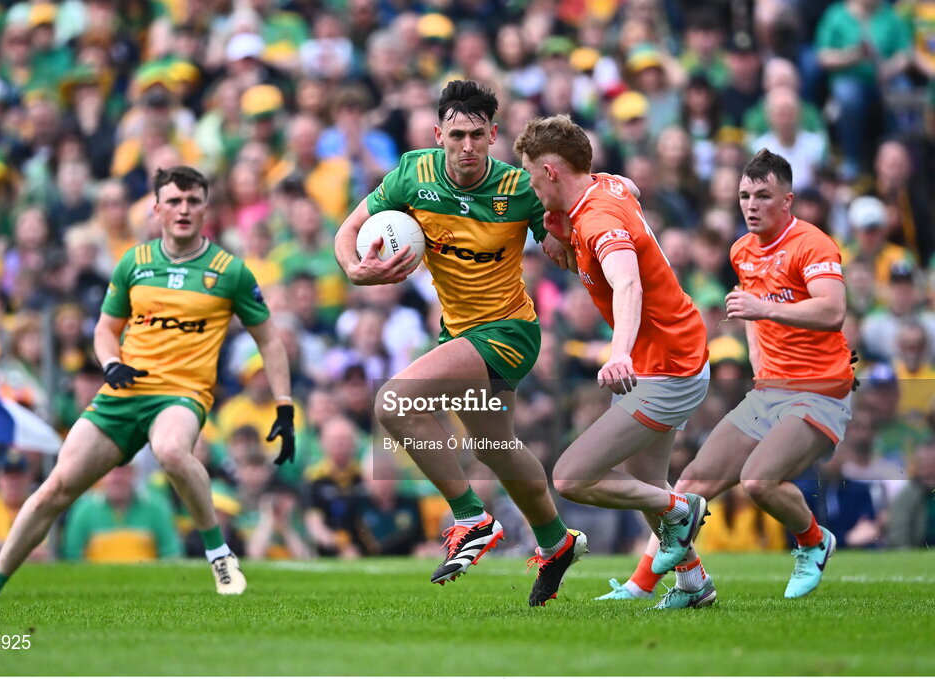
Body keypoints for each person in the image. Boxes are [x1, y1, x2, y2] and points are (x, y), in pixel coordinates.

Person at [0, 166, 295, 601]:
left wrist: (284, 405)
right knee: (56, 487)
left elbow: (270, 340)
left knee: (169, 450)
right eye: (174, 201)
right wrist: (110, 364)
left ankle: (220, 557)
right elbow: (105, 329)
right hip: (124, 391)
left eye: (193, 201)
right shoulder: (135, 262)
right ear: (157, 208)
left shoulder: (230, 271)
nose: (183, 209)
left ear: (206, 208)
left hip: (181, 393)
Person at [333, 80, 583, 606]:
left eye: (476, 135)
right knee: (496, 449)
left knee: (394, 403)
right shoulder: (411, 176)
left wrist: (570, 231)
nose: (466, 146)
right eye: (456, 135)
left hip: (510, 332)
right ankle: (557, 543)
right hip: (460, 331)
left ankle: (471, 518)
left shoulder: (518, 188)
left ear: (493, 135)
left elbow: (562, 248)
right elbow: (350, 228)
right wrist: (355, 269)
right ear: (438, 134)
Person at [597, 149, 854, 603]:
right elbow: (753, 318)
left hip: (820, 391)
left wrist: (763, 309)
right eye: (744, 196)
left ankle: (814, 541)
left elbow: (833, 310)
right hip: (769, 391)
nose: (751, 204)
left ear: (787, 200)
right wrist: (760, 360)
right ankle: (646, 585)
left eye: (763, 195)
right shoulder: (741, 250)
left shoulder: (812, 244)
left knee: (759, 481)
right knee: (691, 485)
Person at [513, 115, 713, 611]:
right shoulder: (604, 187)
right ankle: (693, 584)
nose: (531, 184)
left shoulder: (598, 219)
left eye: (533, 174)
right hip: (670, 354)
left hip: (668, 365)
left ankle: (681, 509)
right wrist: (558, 229)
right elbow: (631, 187)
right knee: (643, 483)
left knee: (572, 477)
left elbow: (627, 282)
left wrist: (618, 350)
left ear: (553, 171)